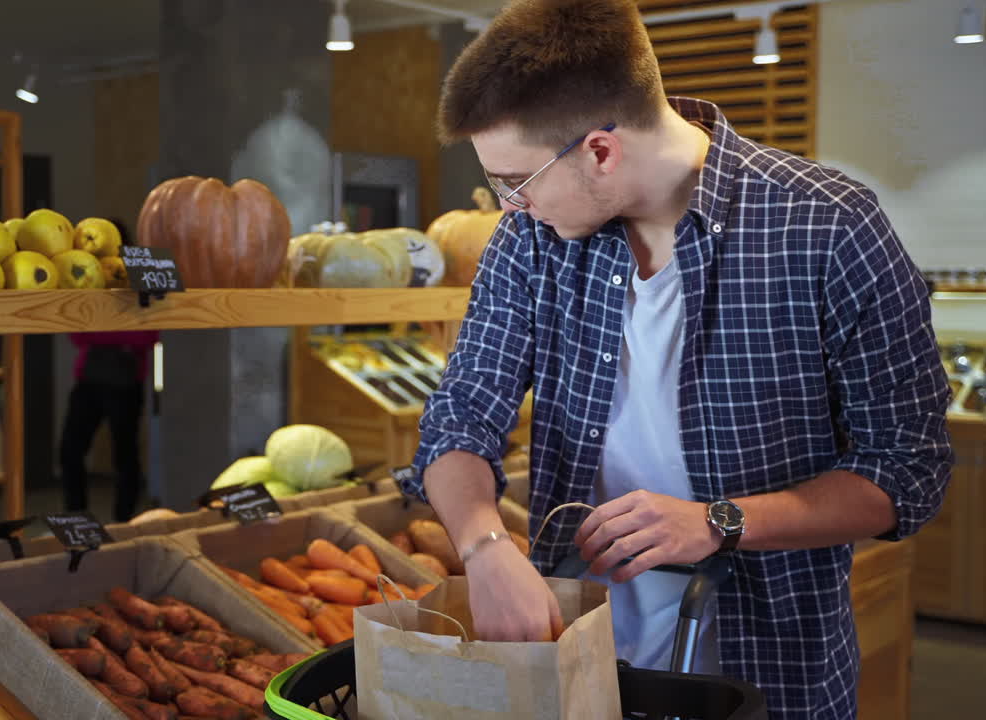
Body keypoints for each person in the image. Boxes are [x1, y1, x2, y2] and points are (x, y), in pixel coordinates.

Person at [400, 1, 952, 718]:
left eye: (516, 182)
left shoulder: (829, 227)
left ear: (600, 150)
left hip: (774, 669)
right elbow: (458, 420)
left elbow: (907, 470)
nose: (509, 207)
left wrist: (720, 521)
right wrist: (482, 546)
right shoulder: (530, 242)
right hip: (574, 665)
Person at [59, 219, 160, 523]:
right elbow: (77, 334)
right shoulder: (90, 275)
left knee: (125, 458)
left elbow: (150, 335)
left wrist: (102, 331)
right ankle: (76, 520)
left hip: (125, 381)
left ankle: (123, 523)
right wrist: (121, 331)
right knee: (69, 451)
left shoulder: (138, 277)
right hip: (90, 378)